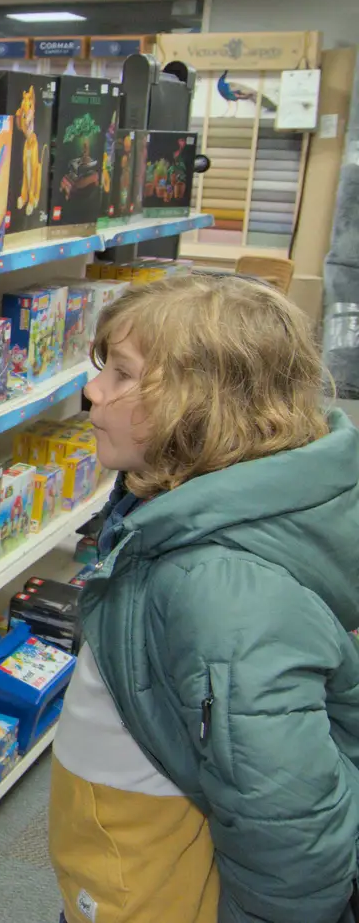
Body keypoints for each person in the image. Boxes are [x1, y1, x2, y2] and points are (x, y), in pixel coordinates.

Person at [51, 273, 359, 923]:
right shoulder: (167, 507)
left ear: (199, 404)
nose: (92, 390)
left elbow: (289, 833)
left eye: (122, 374)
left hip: (162, 886)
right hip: (124, 859)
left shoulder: (221, 592)